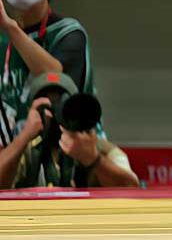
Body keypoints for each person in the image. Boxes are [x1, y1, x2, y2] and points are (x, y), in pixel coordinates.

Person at [0, 0, 98, 148]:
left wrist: (10, 27)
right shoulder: (2, 40)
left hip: (70, 153)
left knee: (121, 168)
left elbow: (55, 77)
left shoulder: (68, 33)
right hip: (12, 153)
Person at [0, 72, 137, 188]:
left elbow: (132, 189)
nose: (54, 114)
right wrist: (25, 135)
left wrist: (94, 160)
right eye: (47, 105)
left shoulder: (97, 147)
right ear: (32, 111)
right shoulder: (25, 151)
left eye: (61, 103)